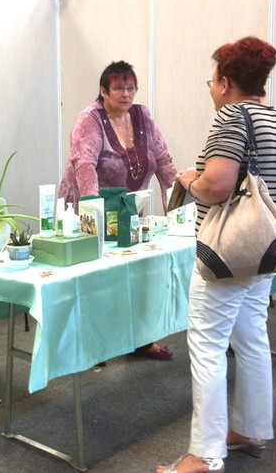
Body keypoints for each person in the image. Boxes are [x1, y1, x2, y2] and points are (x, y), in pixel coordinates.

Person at [158, 37, 276, 473]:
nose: (211, 89)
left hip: (223, 255)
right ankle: (249, 430)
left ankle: (204, 455)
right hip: (261, 252)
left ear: (225, 82)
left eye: (211, 81)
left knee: (207, 346)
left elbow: (218, 186)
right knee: (252, 338)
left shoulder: (230, 118)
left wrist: (191, 179)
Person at [59, 60, 178, 360]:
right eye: (118, 88)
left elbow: (163, 161)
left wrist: (178, 209)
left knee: (138, 276)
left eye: (131, 88)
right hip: (90, 211)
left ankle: (141, 340)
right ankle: (94, 347)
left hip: (129, 214)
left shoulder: (142, 115)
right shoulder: (90, 120)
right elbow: (84, 165)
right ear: (103, 91)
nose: (126, 94)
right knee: (97, 282)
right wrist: (93, 216)